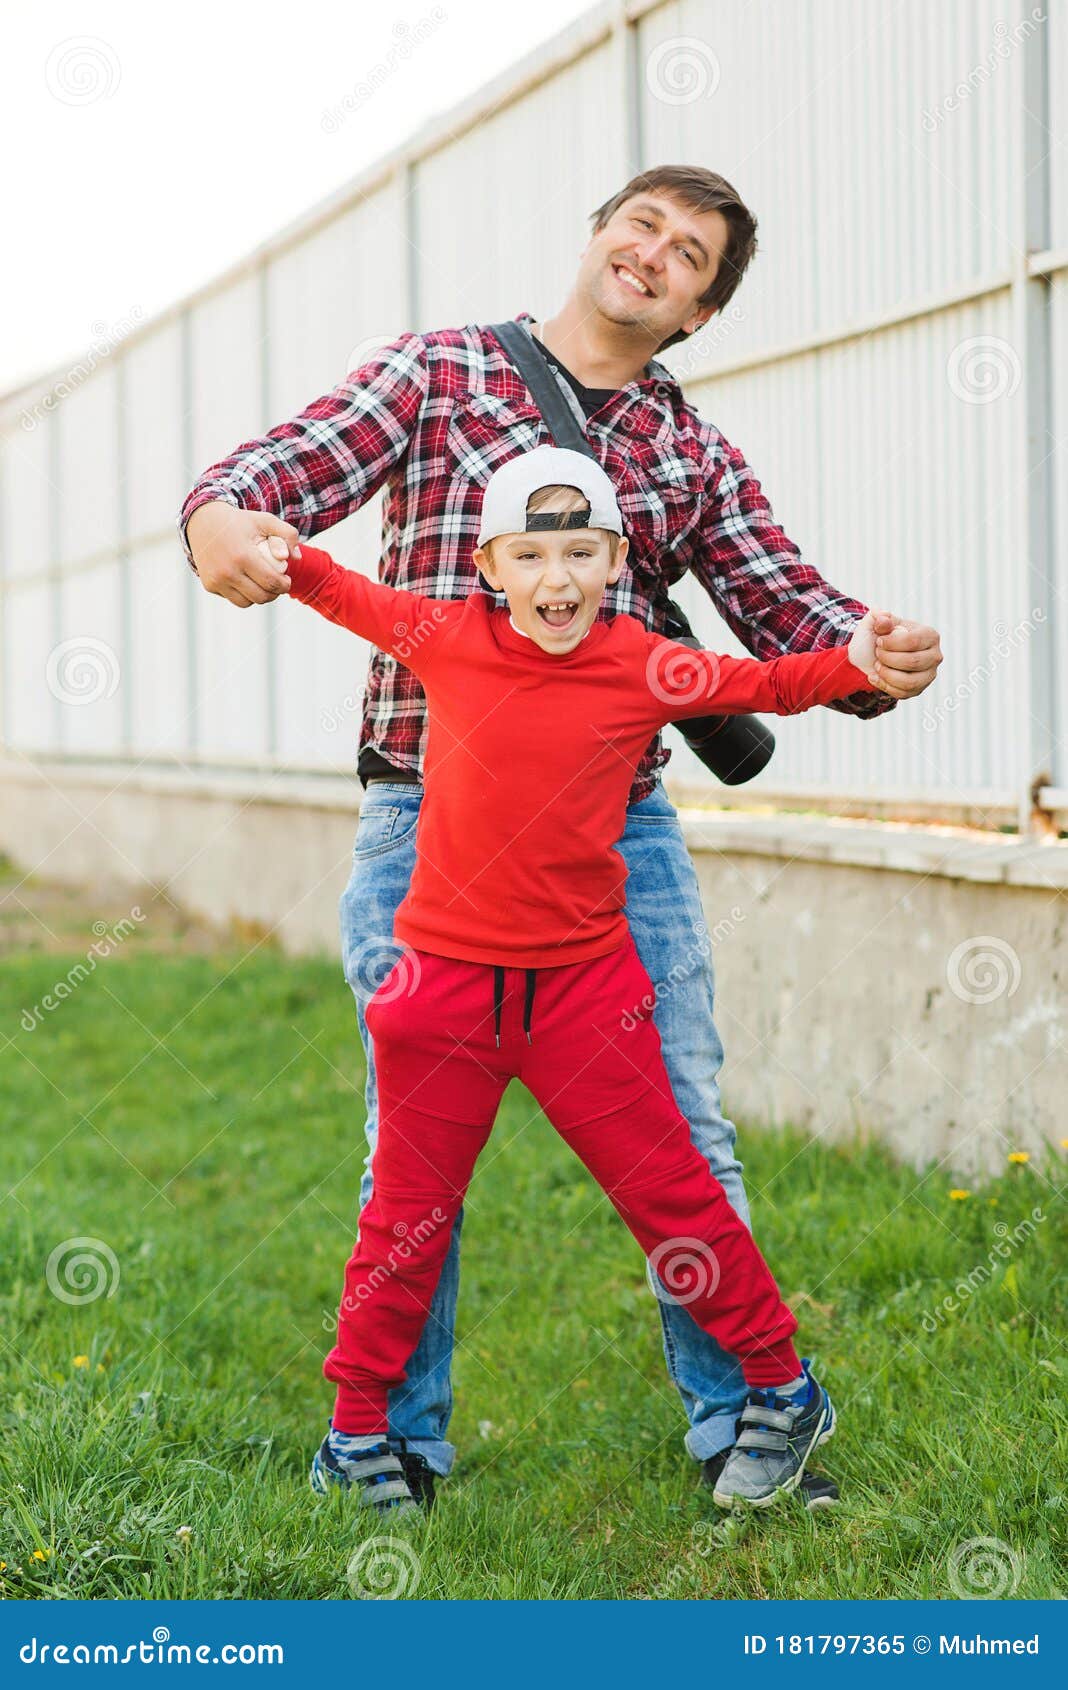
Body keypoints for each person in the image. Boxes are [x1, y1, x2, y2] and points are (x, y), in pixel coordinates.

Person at [180, 165, 943, 1502]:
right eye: (642, 223)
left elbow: (786, 608)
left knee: (684, 1131)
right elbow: (278, 476)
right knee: (409, 1156)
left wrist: (874, 652)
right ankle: (392, 1439)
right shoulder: (438, 371)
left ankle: (748, 1424)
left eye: (690, 253)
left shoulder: (689, 448)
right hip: (422, 821)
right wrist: (217, 517)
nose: (655, 253)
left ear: (700, 310)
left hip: (622, 836)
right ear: (596, 235)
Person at [258, 444, 883, 1515]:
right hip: (442, 1000)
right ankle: (358, 1432)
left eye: (582, 551)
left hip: (584, 999)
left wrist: (864, 657)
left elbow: (772, 682)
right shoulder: (441, 634)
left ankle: (781, 1390)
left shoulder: (642, 662)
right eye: (532, 553)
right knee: (405, 1221)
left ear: (616, 561)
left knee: (674, 1198)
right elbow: (332, 587)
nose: (558, 577)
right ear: (491, 564)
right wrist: (267, 546)